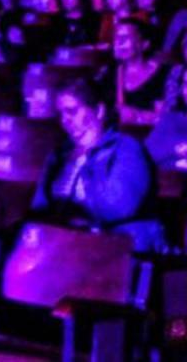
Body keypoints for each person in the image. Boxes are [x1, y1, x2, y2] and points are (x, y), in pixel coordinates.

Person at [32, 78, 163, 251]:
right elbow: (40, 208)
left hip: (114, 244)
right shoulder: (58, 155)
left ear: (99, 111)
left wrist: (88, 163)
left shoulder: (125, 149)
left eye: (72, 111)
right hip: (66, 244)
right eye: (61, 114)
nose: (65, 120)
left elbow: (119, 206)